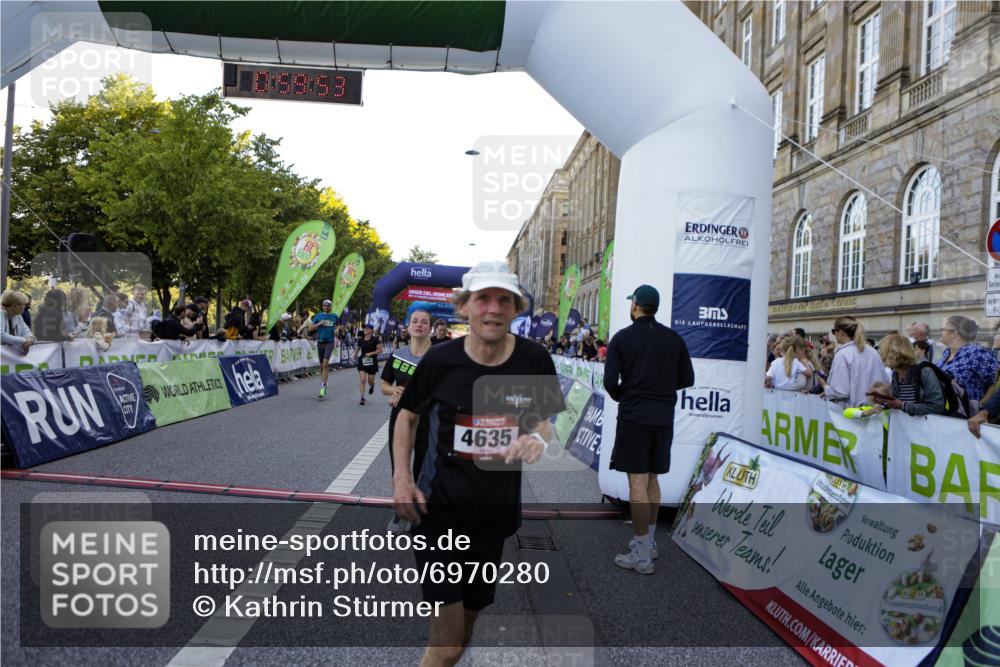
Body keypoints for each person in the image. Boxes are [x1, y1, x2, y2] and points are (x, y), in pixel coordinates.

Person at [392, 261, 565, 666]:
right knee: (448, 643)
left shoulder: (534, 360)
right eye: (483, 299)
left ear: (516, 309)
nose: (493, 308)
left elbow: (547, 422)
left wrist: (538, 439)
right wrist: (402, 478)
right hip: (437, 513)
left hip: (493, 517)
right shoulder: (440, 360)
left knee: (465, 630)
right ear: (464, 307)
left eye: (504, 300)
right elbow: (407, 415)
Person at [604, 284, 694, 574]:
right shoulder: (673, 338)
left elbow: (609, 382)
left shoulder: (622, 338)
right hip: (663, 416)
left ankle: (641, 555)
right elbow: (688, 379)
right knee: (653, 478)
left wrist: (626, 396)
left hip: (635, 416)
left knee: (638, 482)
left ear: (635, 305)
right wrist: (661, 389)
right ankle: (649, 544)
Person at [381, 304, 433, 533]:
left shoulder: (437, 356)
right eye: (415, 321)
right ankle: (399, 511)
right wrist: (394, 391)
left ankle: (417, 514)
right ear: (408, 326)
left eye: (424, 322)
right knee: (399, 467)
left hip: (428, 420)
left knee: (422, 468)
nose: (419, 325)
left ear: (430, 328)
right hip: (400, 418)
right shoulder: (398, 354)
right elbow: (384, 385)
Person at [869, 334, 945, 416]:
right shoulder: (896, 373)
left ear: (893, 353)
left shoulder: (924, 371)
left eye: (882, 352)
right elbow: (898, 404)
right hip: (906, 424)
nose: (880, 355)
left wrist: (903, 405)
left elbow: (937, 407)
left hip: (925, 424)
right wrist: (883, 403)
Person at [820, 316, 885, 407]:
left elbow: (841, 391)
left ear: (841, 332)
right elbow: (883, 382)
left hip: (851, 411)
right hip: (874, 409)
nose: (834, 334)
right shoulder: (873, 352)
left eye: (834, 331)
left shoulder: (843, 354)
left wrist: (825, 387)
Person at [938, 315, 1000, 408]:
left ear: (954, 333)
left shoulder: (976, 353)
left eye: (943, 329)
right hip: (944, 411)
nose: (940, 331)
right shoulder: (947, 352)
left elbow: (995, 383)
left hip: (968, 414)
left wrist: (980, 407)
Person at [307, 299, 339, 398]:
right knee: (321, 366)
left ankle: (323, 386)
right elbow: (310, 328)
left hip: (329, 342)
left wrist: (337, 330)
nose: (326, 307)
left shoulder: (334, 316)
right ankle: (324, 382)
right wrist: (319, 324)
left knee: (325, 364)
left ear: (331, 307)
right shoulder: (318, 316)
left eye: (328, 305)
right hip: (320, 342)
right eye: (325, 305)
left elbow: (338, 327)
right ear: (322, 306)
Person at [355, 323, 383, 405]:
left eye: (367, 328)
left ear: (371, 330)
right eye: (364, 328)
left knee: (370, 381)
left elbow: (380, 350)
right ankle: (362, 398)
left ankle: (372, 385)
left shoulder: (375, 339)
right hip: (362, 361)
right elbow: (357, 349)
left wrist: (371, 353)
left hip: (372, 362)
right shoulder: (361, 340)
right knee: (362, 380)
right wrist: (353, 357)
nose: (365, 329)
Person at [1, 290, 36, 355]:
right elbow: (1, 335)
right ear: (15, 305)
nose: (24, 306)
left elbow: (26, 331)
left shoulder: (17, 315)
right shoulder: (1, 314)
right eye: (23, 304)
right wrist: (23, 341)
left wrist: (30, 340)